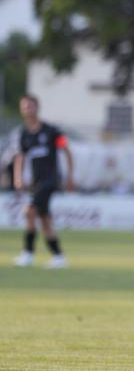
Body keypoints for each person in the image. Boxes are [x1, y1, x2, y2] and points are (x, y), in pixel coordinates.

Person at [12, 94, 74, 268]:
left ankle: (28, 253)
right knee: (45, 220)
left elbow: (66, 150)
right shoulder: (23, 133)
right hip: (36, 182)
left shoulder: (52, 131)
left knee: (28, 212)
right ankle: (59, 257)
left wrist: (70, 176)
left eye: (30, 106)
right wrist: (18, 177)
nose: (27, 109)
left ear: (37, 108)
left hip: (50, 180)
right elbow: (20, 157)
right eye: (24, 106)